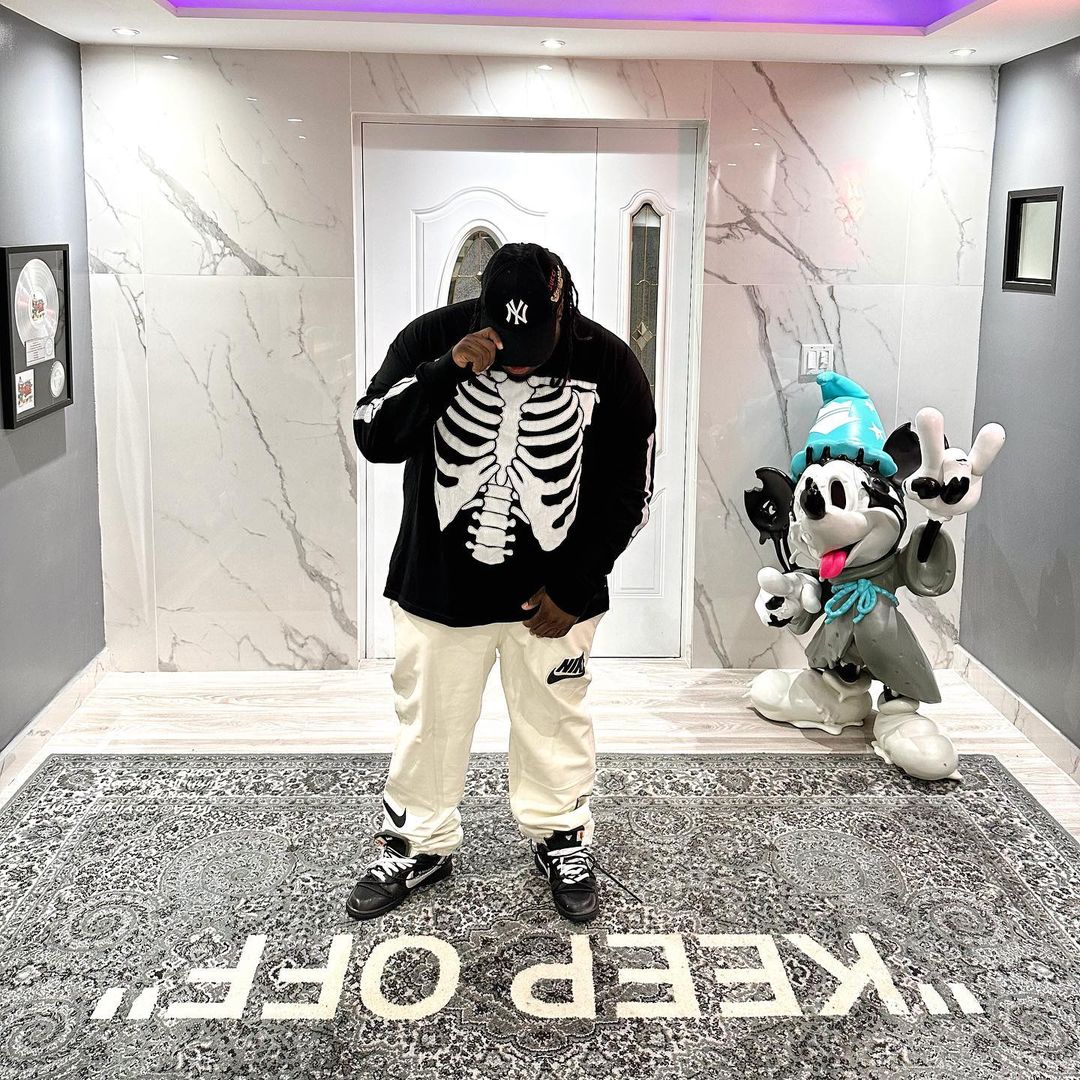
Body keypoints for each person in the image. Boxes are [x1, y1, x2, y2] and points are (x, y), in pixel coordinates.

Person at [348, 241, 656, 923]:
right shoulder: (432, 338)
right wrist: (444, 373)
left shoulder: (608, 362)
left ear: (562, 308)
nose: (518, 362)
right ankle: (417, 840)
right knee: (428, 721)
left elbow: (629, 490)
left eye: (534, 347)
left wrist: (575, 586)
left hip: (552, 602)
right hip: (438, 591)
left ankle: (560, 835)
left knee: (555, 720)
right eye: (506, 345)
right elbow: (373, 435)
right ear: (480, 309)